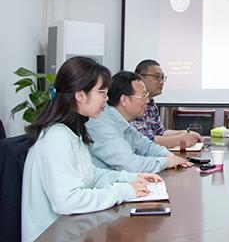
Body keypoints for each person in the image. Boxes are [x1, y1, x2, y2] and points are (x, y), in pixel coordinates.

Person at [21, 57, 161, 242]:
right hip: (52, 235)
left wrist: (132, 178)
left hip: (73, 230)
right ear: (80, 95)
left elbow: (91, 175)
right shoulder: (57, 137)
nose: (106, 98)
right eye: (101, 92)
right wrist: (123, 191)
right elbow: (68, 201)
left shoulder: (72, 131)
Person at [86, 71, 192, 173]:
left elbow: (146, 146)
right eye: (143, 96)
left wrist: (170, 156)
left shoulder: (121, 121)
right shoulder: (101, 124)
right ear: (124, 100)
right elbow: (131, 165)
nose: (147, 101)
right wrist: (166, 162)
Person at [130, 59, 200, 148]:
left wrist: (185, 133)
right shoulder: (133, 104)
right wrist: (180, 139)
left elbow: (161, 132)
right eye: (157, 77)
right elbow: (144, 141)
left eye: (163, 77)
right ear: (140, 78)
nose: (161, 82)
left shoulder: (151, 104)